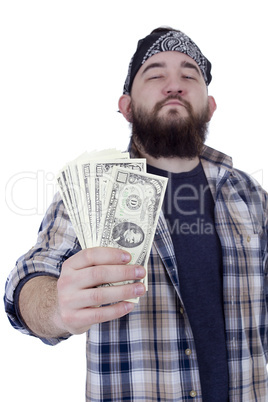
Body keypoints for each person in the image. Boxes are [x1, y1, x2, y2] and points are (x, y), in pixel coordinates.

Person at [4, 26, 268, 401]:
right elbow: (29, 279)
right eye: (156, 74)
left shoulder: (251, 196)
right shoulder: (93, 190)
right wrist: (57, 307)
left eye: (189, 76)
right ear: (126, 106)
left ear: (210, 106)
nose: (174, 85)